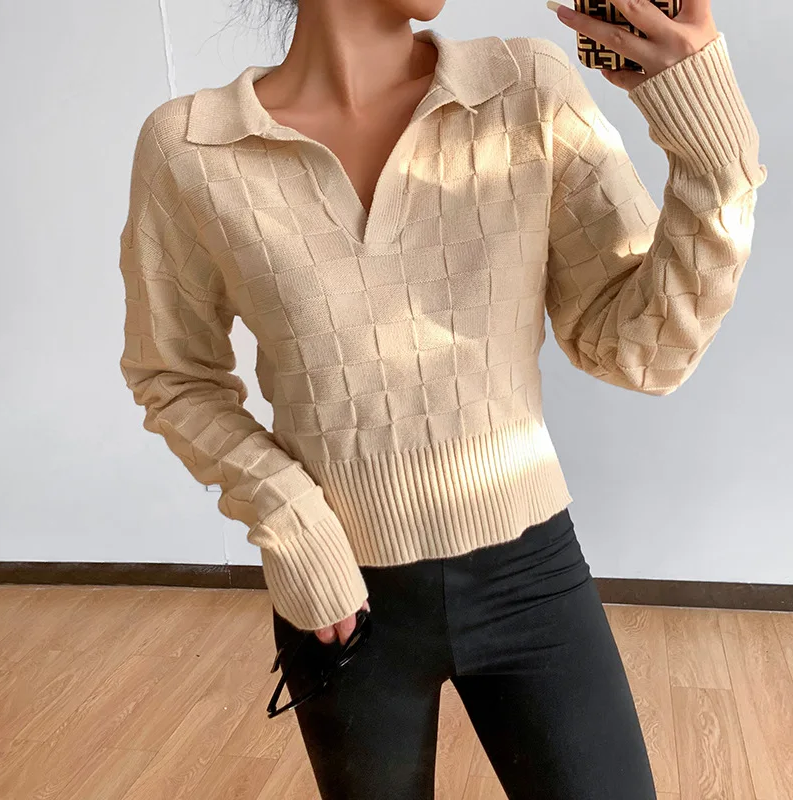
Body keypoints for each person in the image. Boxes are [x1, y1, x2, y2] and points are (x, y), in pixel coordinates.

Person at [117, 0, 766, 796]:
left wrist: (716, 157)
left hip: (531, 576)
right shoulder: (192, 146)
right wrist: (291, 519)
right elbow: (173, 375)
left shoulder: (524, 88)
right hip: (341, 600)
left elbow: (643, 353)